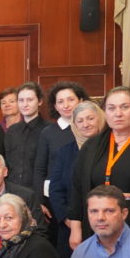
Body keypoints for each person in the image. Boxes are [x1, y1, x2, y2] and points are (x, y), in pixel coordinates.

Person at [67, 87, 130, 249]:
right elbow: (77, 188)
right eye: (111, 108)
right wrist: (75, 228)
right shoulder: (91, 146)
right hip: (98, 222)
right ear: (105, 112)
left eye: (125, 107)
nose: (118, 113)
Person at [49, 101, 105, 258]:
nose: (85, 124)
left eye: (90, 118)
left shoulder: (110, 148)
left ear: (100, 119)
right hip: (70, 228)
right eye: (80, 121)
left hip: (104, 223)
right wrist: (69, 220)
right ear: (74, 125)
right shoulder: (65, 152)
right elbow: (56, 189)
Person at [34, 82, 88, 239]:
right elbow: (39, 169)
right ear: (55, 106)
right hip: (54, 199)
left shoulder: (89, 128)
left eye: (71, 99)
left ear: (81, 101)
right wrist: (39, 201)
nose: (66, 105)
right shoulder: (48, 133)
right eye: (60, 101)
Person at [4, 82, 48, 189]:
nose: (25, 104)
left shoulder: (49, 130)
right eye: (21, 100)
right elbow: (7, 163)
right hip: (13, 190)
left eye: (30, 100)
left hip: (39, 191)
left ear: (40, 101)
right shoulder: (12, 131)